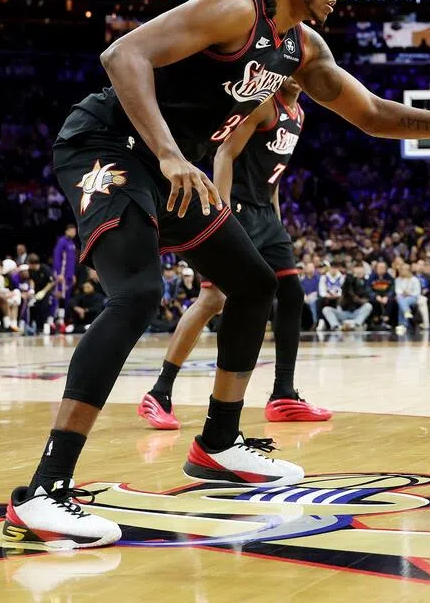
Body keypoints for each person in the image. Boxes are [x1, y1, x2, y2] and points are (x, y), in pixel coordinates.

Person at [5, 0, 430, 550]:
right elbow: (122, 57)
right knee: (137, 293)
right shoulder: (235, 8)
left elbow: (375, 115)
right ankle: (45, 490)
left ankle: (217, 442)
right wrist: (169, 156)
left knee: (253, 284)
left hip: (173, 165)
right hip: (109, 146)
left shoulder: (301, 49)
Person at [138, 79, 332, 430]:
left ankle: (284, 394)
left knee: (291, 293)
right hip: (236, 209)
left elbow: (274, 178)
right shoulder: (263, 105)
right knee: (212, 299)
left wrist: (279, 220)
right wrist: (220, 214)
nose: (298, 72)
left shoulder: (299, 114)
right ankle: (159, 393)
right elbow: (225, 153)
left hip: (266, 214)